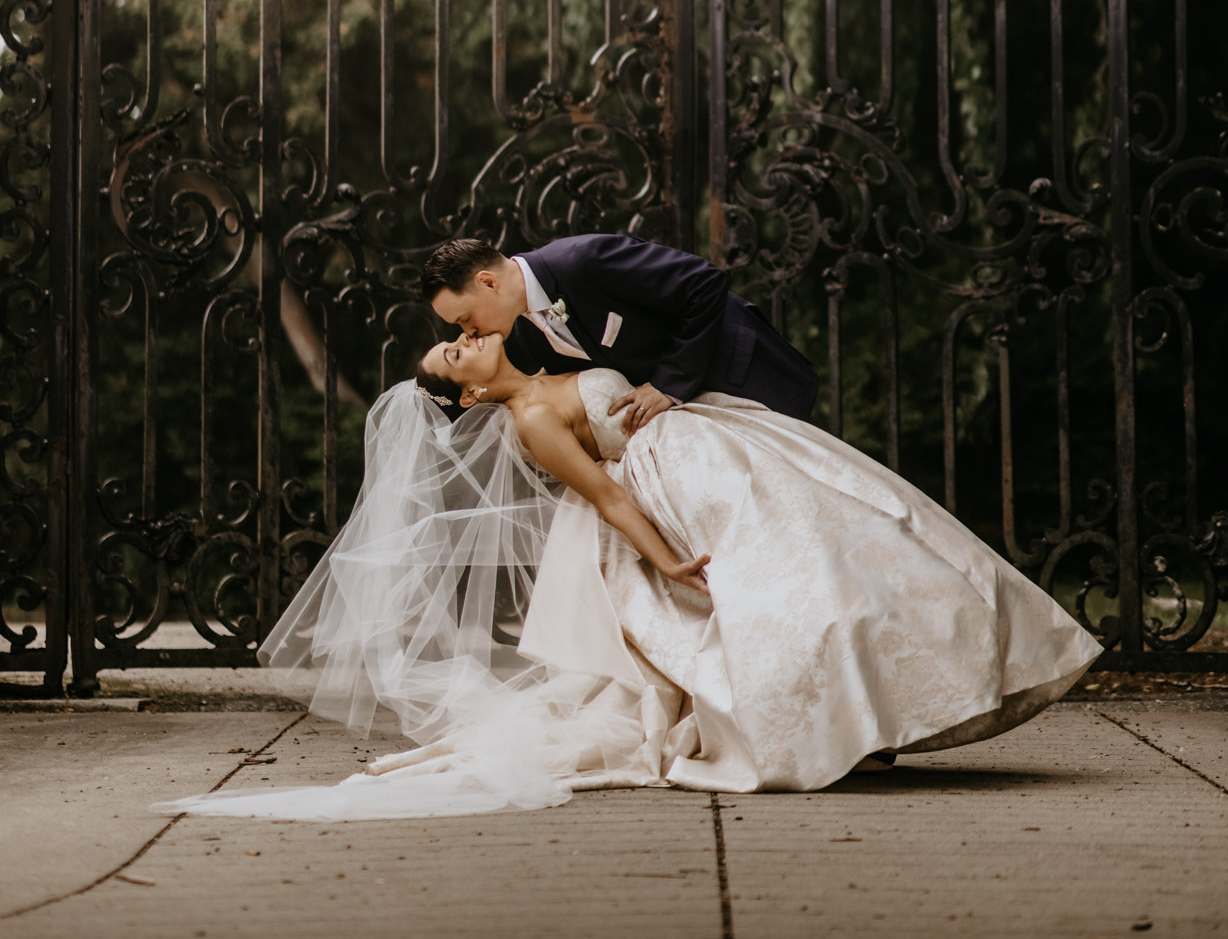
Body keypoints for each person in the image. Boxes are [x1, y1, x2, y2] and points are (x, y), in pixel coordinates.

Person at [161, 335, 1102, 822]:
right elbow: (607, 500)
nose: (465, 342)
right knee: (791, 605)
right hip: (679, 505)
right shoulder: (529, 420)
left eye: (457, 336)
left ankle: (903, 698)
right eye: (454, 354)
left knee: (866, 550)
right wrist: (668, 562)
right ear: (473, 394)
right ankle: (842, 723)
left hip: (722, 456)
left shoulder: (544, 362)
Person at [422, 231, 820, 430]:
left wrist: (668, 384)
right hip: (703, 428)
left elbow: (705, 283)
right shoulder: (521, 335)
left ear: (488, 282)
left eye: (464, 318)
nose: (469, 332)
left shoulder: (583, 260)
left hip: (749, 377)